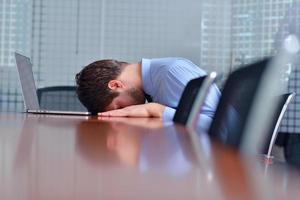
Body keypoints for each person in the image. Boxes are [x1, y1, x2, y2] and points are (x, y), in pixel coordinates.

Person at [75, 57, 220, 130]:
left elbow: (221, 125)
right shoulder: (154, 84)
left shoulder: (172, 73)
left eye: (119, 108)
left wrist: (157, 110)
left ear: (115, 85)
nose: (126, 112)